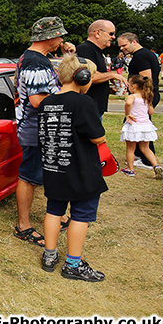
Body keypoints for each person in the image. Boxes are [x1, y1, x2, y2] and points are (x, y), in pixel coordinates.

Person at [38, 54, 107, 282]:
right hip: (81, 170)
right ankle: (73, 265)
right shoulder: (84, 103)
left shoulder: (46, 102)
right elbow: (98, 138)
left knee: (54, 210)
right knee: (81, 215)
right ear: (82, 76)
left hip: (53, 168)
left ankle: (49, 256)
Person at [13, 16, 70, 247]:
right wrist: (68, 96)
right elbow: (37, 100)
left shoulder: (36, 58)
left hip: (39, 128)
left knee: (41, 173)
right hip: (36, 129)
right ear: (49, 36)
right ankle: (23, 226)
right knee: (29, 177)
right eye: (60, 35)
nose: (62, 39)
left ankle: (57, 214)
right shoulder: (35, 62)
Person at [117, 32, 161, 168]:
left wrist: (138, 96)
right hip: (146, 95)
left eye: (124, 45)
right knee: (134, 123)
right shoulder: (146, 54)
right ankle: (138, 154)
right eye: (120, 46)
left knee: (138, 124)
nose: (122, 49)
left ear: (134, 42)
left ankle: (146, 159)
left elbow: (146, 79)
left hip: (144, 96)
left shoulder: (141, 56)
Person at [75, 20, 128, 117]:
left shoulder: (97, 51)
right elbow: (88, 76)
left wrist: (109, 89)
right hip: (87, 108)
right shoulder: (85, 49)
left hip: (95, 107)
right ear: (97, 33)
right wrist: (113, 75)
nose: (113, 37)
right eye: (111, 33)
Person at [120, 75, 163, 179]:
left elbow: (128, 103)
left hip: (134, 126)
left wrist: (128, 114)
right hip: (146, 126)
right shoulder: (147, 97)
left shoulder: (132, 96)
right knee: (146, 148)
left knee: (130, 149)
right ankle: (156, 165)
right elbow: (151, 111)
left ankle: (130, 169)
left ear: (134, 86)